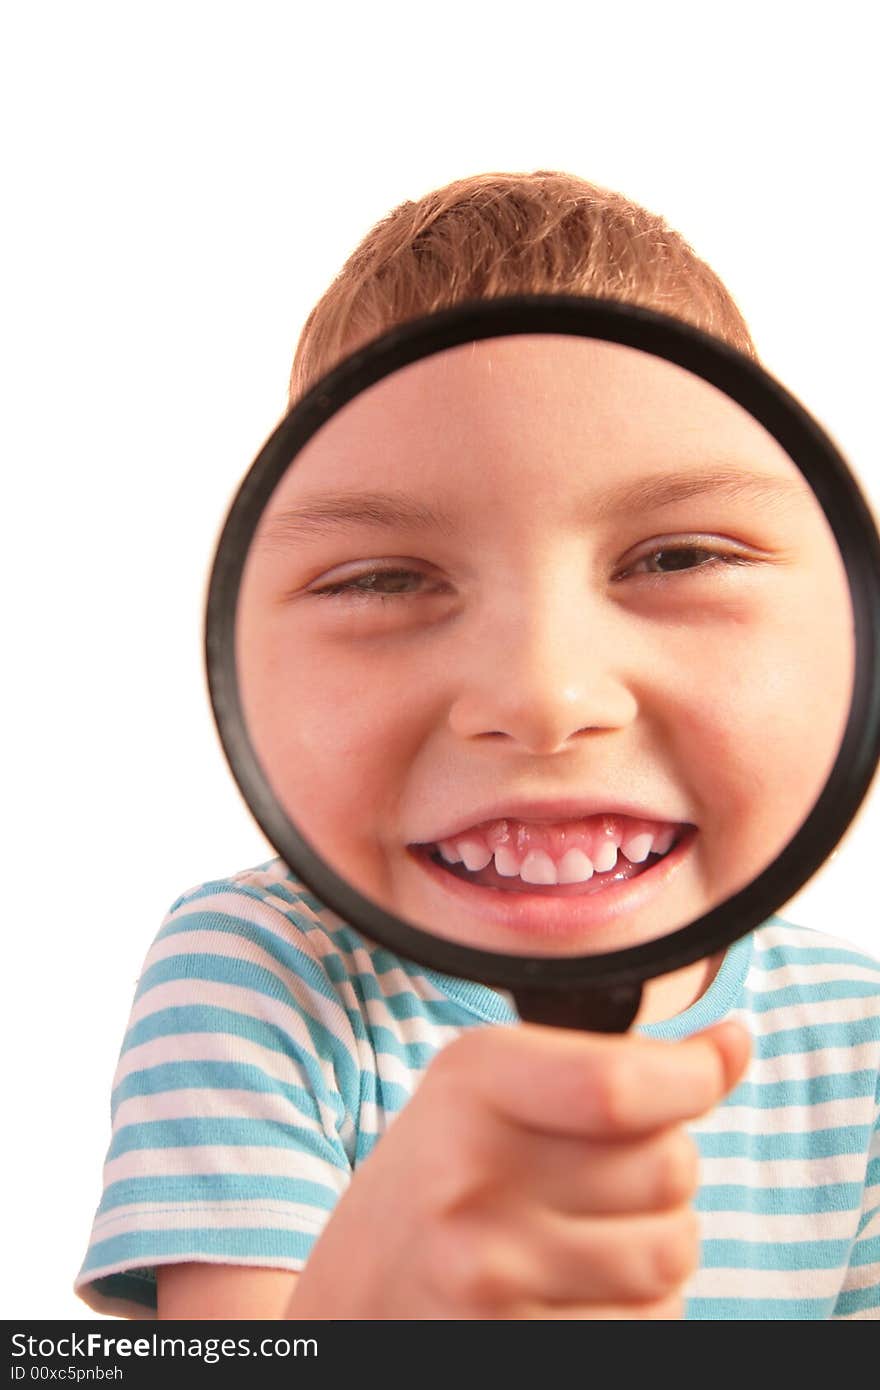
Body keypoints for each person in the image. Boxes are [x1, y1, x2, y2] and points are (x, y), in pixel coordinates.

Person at [76, 171, 880, 1320]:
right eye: (384, 578)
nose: (542, 696)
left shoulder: (860, 1037)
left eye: (675, 557)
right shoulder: (260, 969)